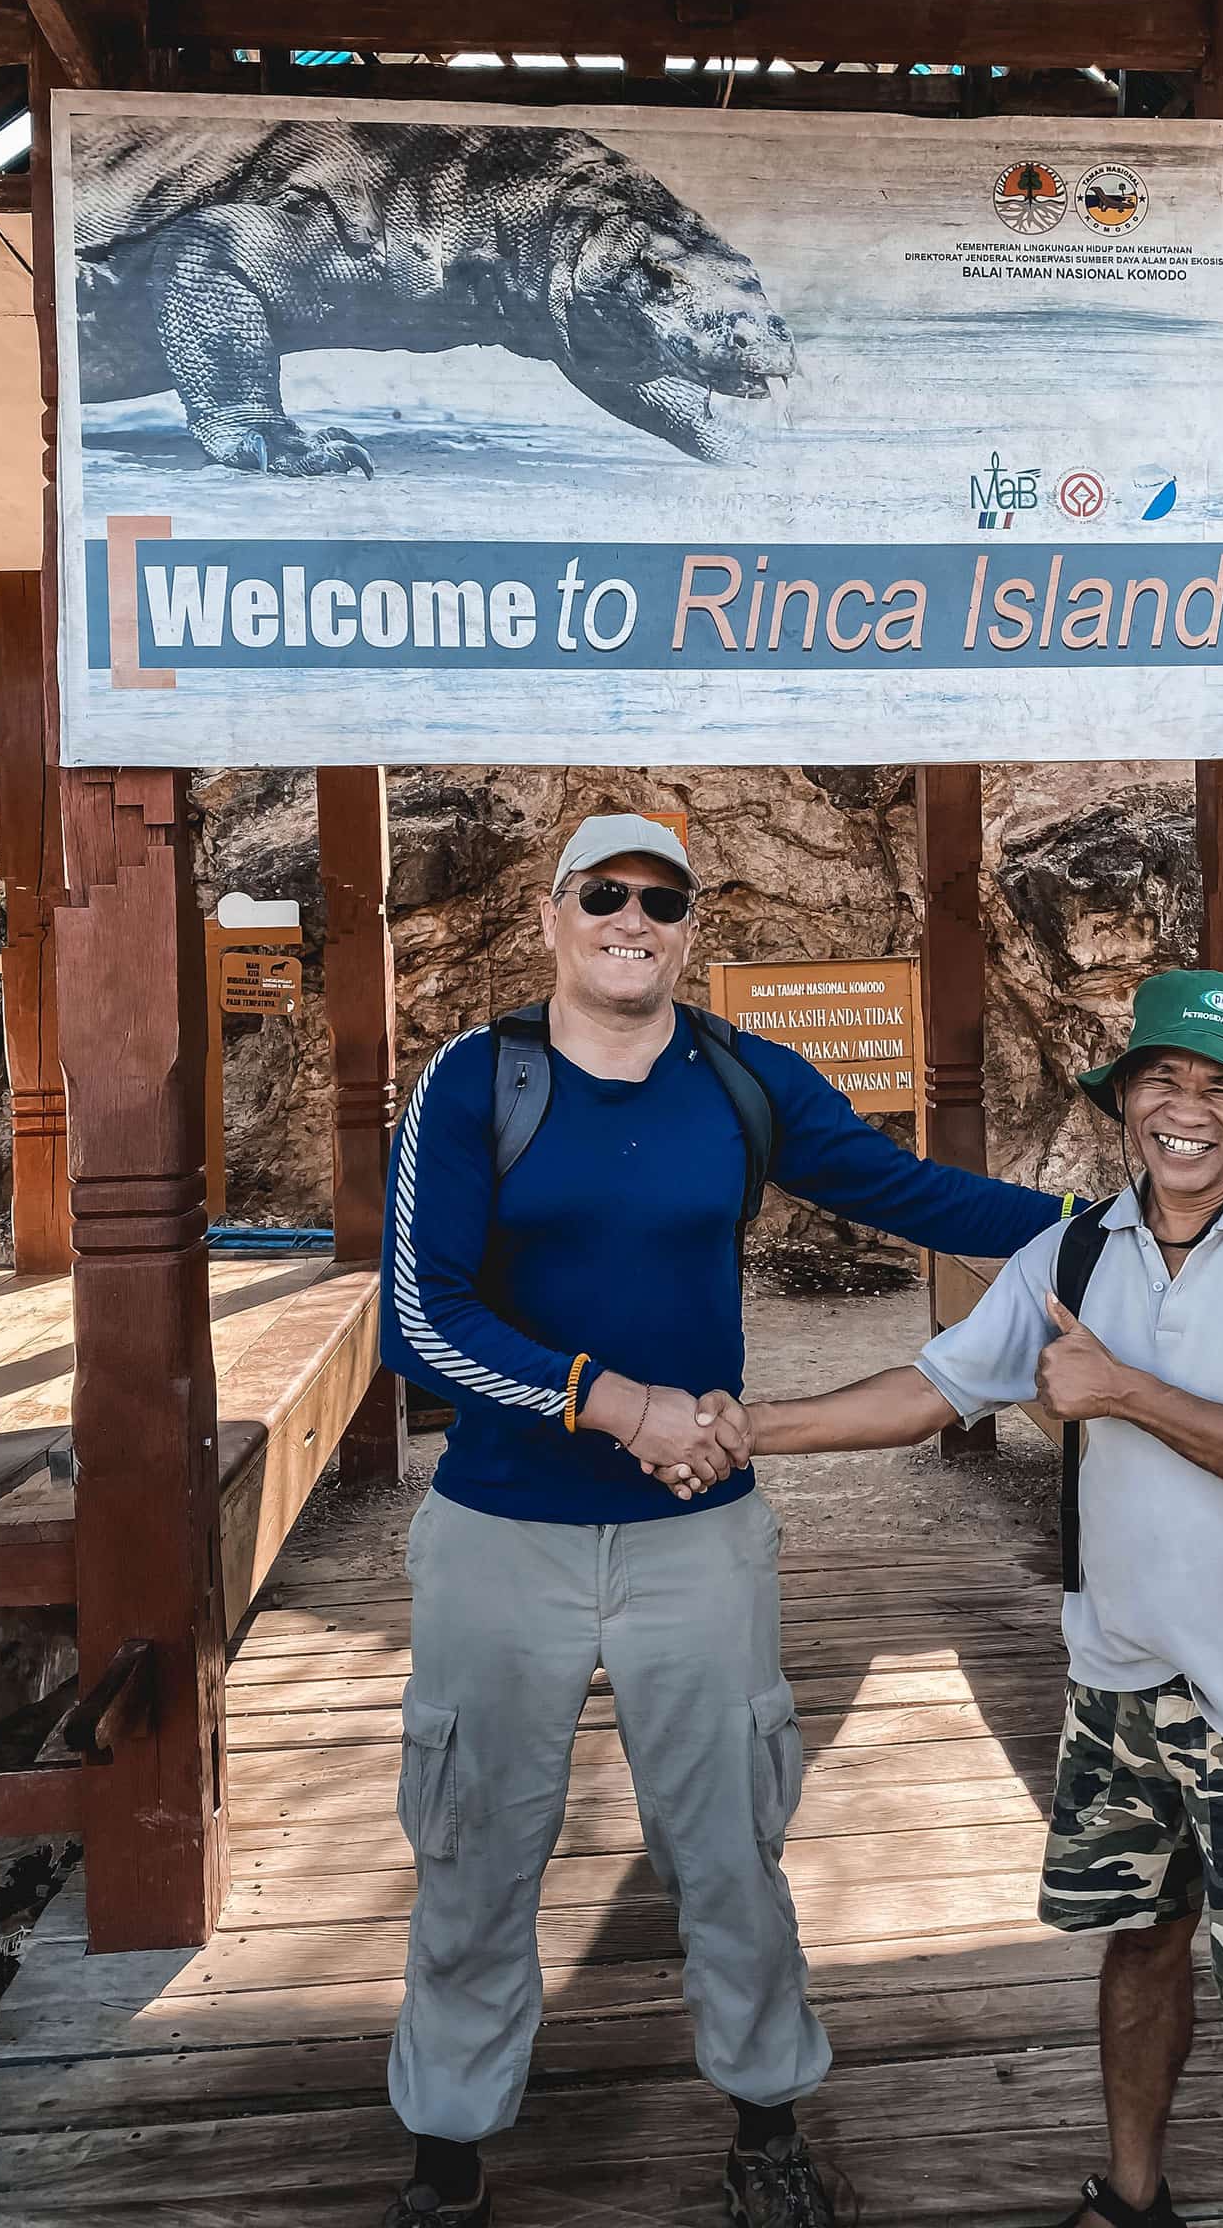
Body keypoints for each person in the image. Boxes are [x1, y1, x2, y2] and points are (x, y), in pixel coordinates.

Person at [376, 812, 1063, 2228]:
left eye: (663, 901)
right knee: (476, 1847)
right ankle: (447, 2152)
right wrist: (618, 1405)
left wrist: (1105, 1223)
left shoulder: (741, 1082)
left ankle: (764, 2120)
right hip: (504, 1530)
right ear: (554, 919)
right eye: (605, 895)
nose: (634, 919)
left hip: (702, 1535)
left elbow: (906, 1189)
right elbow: (419, 1320)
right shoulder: (474, 1082)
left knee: (730, 1847)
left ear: (694, 931)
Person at [716, 969, 1223, 2228]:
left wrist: (1123, 1392)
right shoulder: (1075, 1250)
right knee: (1139, 1946)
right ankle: (1132, 2200)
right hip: (1120, 1685)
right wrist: (747, 1427)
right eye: (1162, 1080)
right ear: (1124, 1102)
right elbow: (932, 1390)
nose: (1186, 1111)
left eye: (1219, 1088)